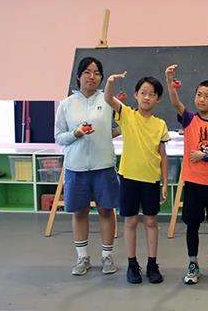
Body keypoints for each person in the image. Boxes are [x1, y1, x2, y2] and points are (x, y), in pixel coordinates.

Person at [165, 64, 208, 284]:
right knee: (192, 225)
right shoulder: (189, 119)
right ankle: (192, 263)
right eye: (198, 95)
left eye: (207, 96)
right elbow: (175, 103)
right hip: (193, 183)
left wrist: (205, 156)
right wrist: (169, 80)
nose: (201, 99)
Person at [55, 57, 120, 276]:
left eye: (97, 73)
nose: (92, 77)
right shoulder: (66, 104)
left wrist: (108, 134)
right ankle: (82, 258)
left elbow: (122, 125)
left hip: (104, 165)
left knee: (106, 210)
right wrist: (76, 133)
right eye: (87, 72)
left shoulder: (108, 101)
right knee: (79, 211)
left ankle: (107, 256)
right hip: (76, 167)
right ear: (78, 76)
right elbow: (59, 137)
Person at [104, 72, 169, 284]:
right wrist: (110, 82)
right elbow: (108, 98)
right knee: (130, 221)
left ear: (158, 99)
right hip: (129, 178)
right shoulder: (127, 115)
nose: (147, 97)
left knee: (151, 221)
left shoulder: (160, 124)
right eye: (143, 93)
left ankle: (152, 264)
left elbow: (163, 155)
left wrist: (165, 182)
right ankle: (132, 265)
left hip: (151, 179)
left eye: (152, 94)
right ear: (136, 95)